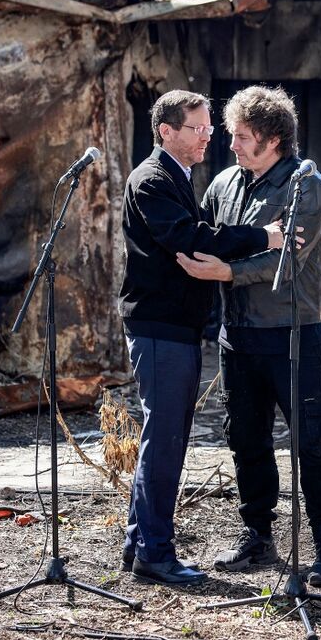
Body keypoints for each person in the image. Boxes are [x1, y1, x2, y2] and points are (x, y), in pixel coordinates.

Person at [176, 85, 321, 587]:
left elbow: (287, 258)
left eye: (242, 137)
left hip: (294, 335)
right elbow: (205, 239)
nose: (230, 145)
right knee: (245, 438)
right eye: (231, 135)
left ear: (274, 139)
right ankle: (257, 535)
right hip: (239, 337)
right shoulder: (224, 184)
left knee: (314, 441)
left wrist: (226, 272)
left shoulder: (305, 184)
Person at [118, 89, 285, 586]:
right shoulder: (152, 179)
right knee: (165, 441)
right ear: (167, 131)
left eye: (211, 127)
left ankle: (139, 544)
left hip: (173, 328)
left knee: (163, 438)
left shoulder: (176, 175)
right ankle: (155, 552)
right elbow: (192, 238)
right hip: (159, 328)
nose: (209, 135)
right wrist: (265, 237)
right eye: (199, 127)